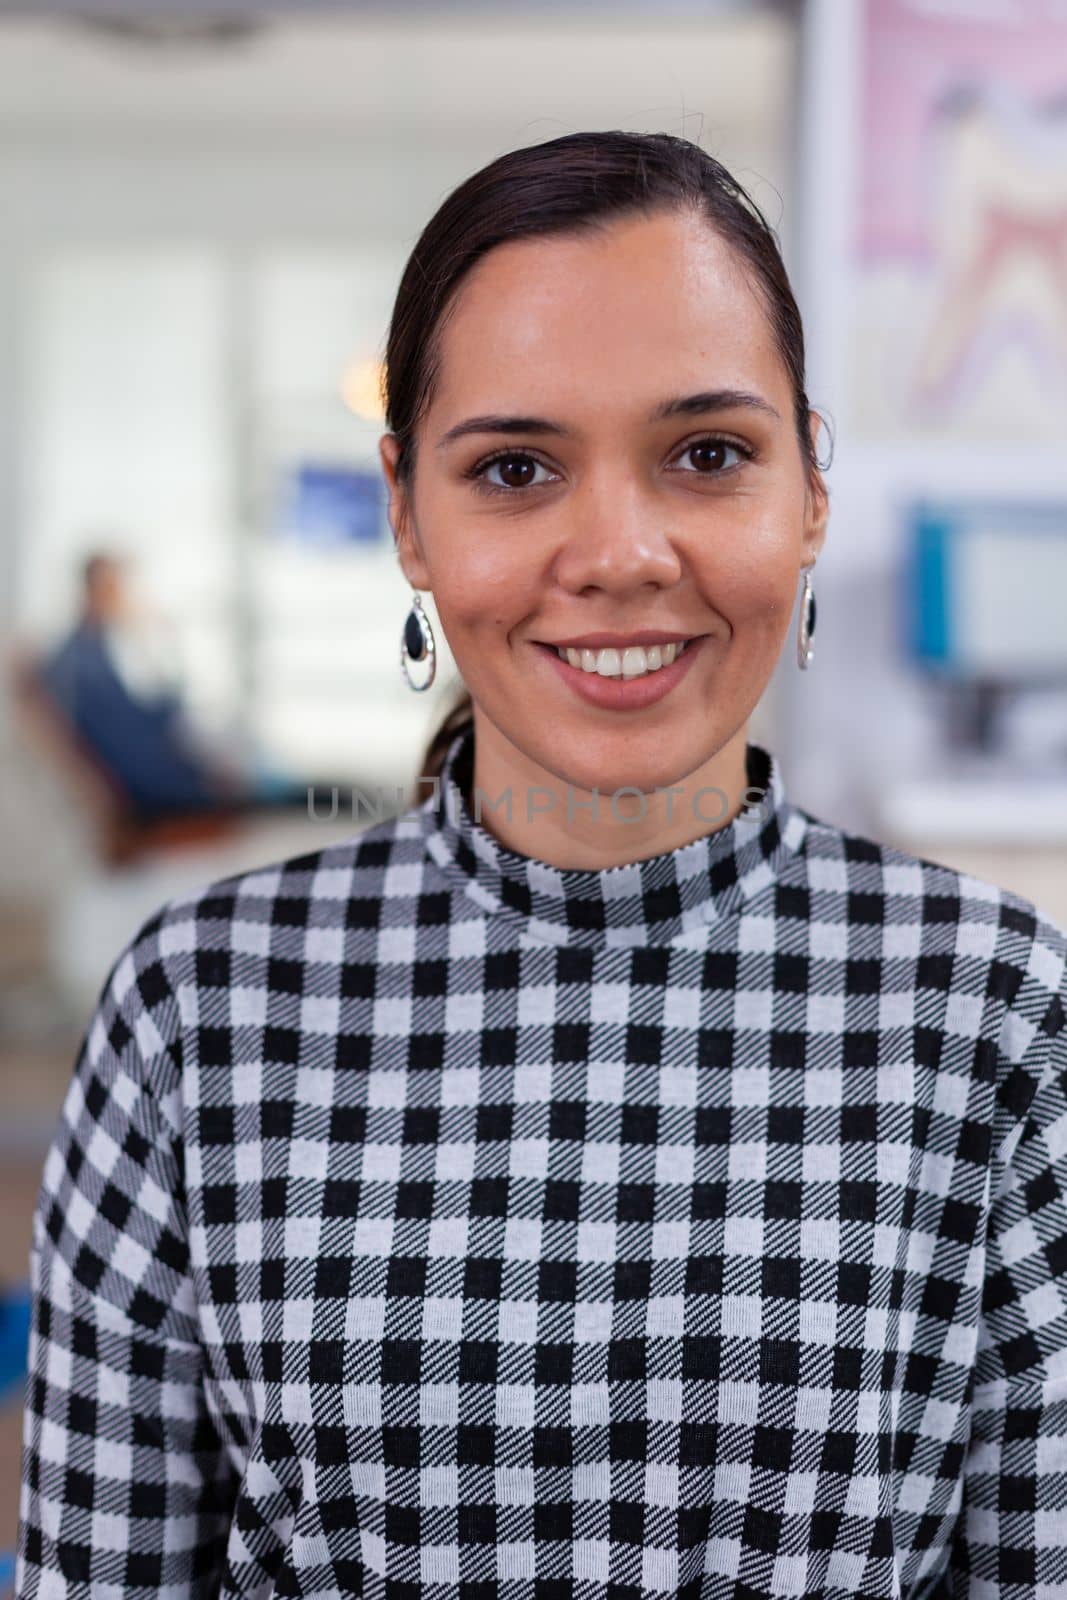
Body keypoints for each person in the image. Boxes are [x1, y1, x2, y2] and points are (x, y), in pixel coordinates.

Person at [14, 130, 1067, 1600]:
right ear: (406, 515)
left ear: (808, 489)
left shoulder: (990, 1006)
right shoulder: (200, 1012)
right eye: (514, 467)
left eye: (706, 455)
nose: (619, 552)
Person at [34, 552, 335, 821]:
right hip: (166, 793)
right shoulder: (84, 666)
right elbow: (139, 746)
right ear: (103, 591)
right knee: (317, 799)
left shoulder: (84, 655)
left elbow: (151, 718)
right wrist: (206, 779)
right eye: (122, 588)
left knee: (298, 786)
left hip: (171, 778)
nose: (130, 598)